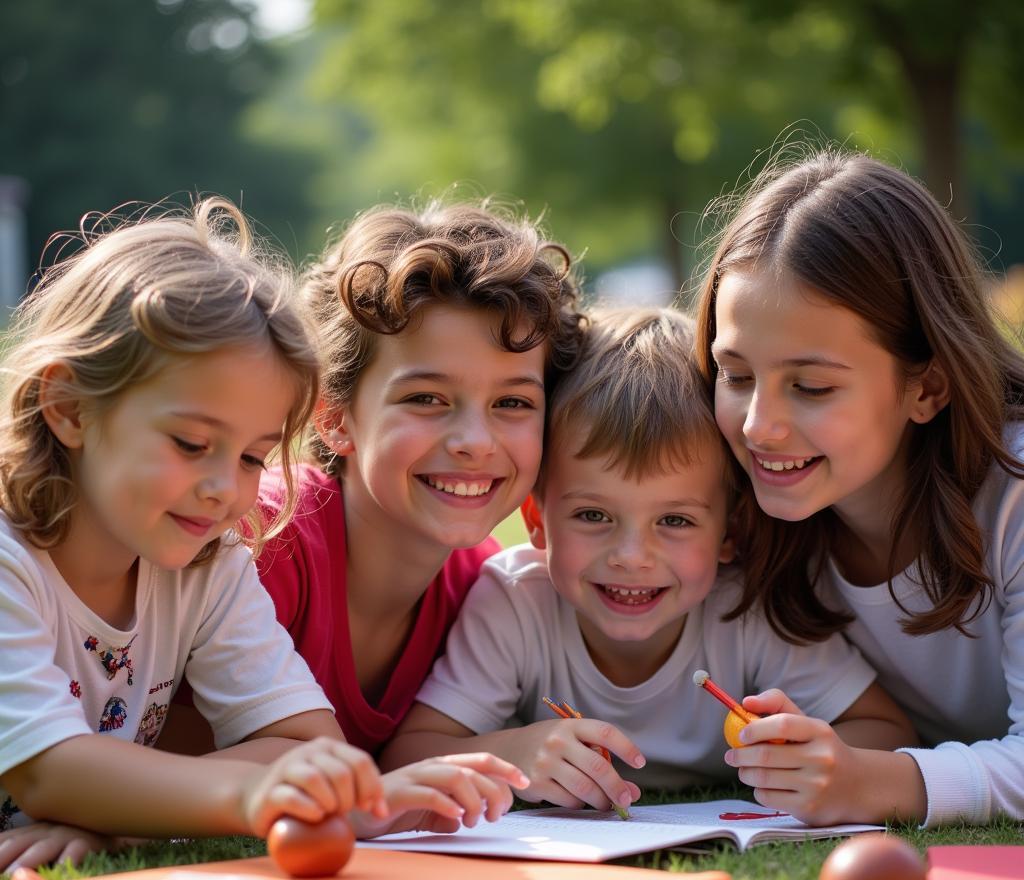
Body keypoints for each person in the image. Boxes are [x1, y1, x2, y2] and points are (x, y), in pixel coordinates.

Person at [0, 199, 527, 872]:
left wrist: (120, 818)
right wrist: (253, 794)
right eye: (192, 443)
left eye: (253, 456)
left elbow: (306, 747)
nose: (225, 487)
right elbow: (51, 771)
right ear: (69, 408)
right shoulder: (12, 563)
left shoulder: (204, 567)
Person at [382, 308, 915, 824]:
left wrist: (809, 755)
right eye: (593, 515)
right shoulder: (515, 603)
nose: (632, 557)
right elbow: (409, 758)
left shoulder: (747, 610)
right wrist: (513, 753)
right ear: (536, 519)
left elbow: (889, 731)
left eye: (676, 522)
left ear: (730, 532)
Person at [696, 148, 1024, 827]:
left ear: (926, 386)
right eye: (736, 375)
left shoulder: (1013, 496)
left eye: (811, 386)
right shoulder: (736, 509)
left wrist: (872, 780)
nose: (761, 426)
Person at [253, 199, 584, 753]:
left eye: (512, 402)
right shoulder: (267, 540)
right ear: (334, 417)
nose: (475, 442)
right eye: (426, 398)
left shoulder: (484, 595)